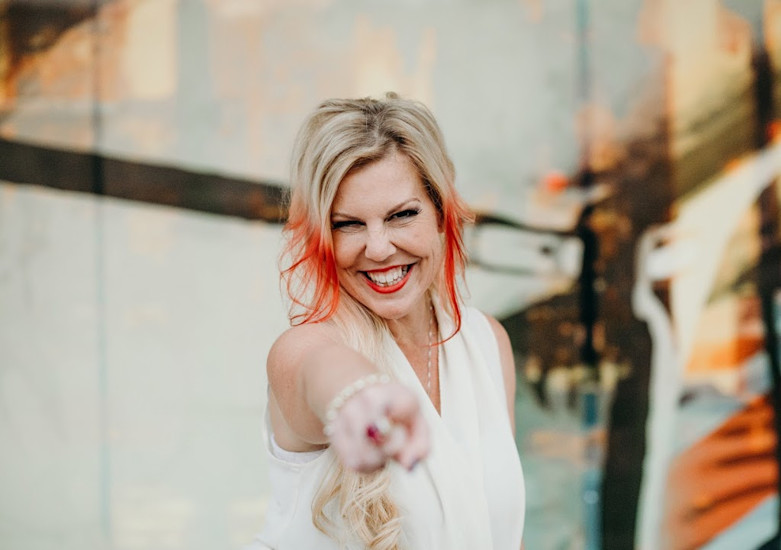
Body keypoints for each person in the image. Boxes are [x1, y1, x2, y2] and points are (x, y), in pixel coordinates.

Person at [247, 93, 525, 550]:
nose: (378, 248)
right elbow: (325, 372)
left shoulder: (487, 342)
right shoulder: (301, 349)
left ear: (440, 213)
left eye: (402, 215)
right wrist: (359, 396)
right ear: (322, 237)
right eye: (348, 224)